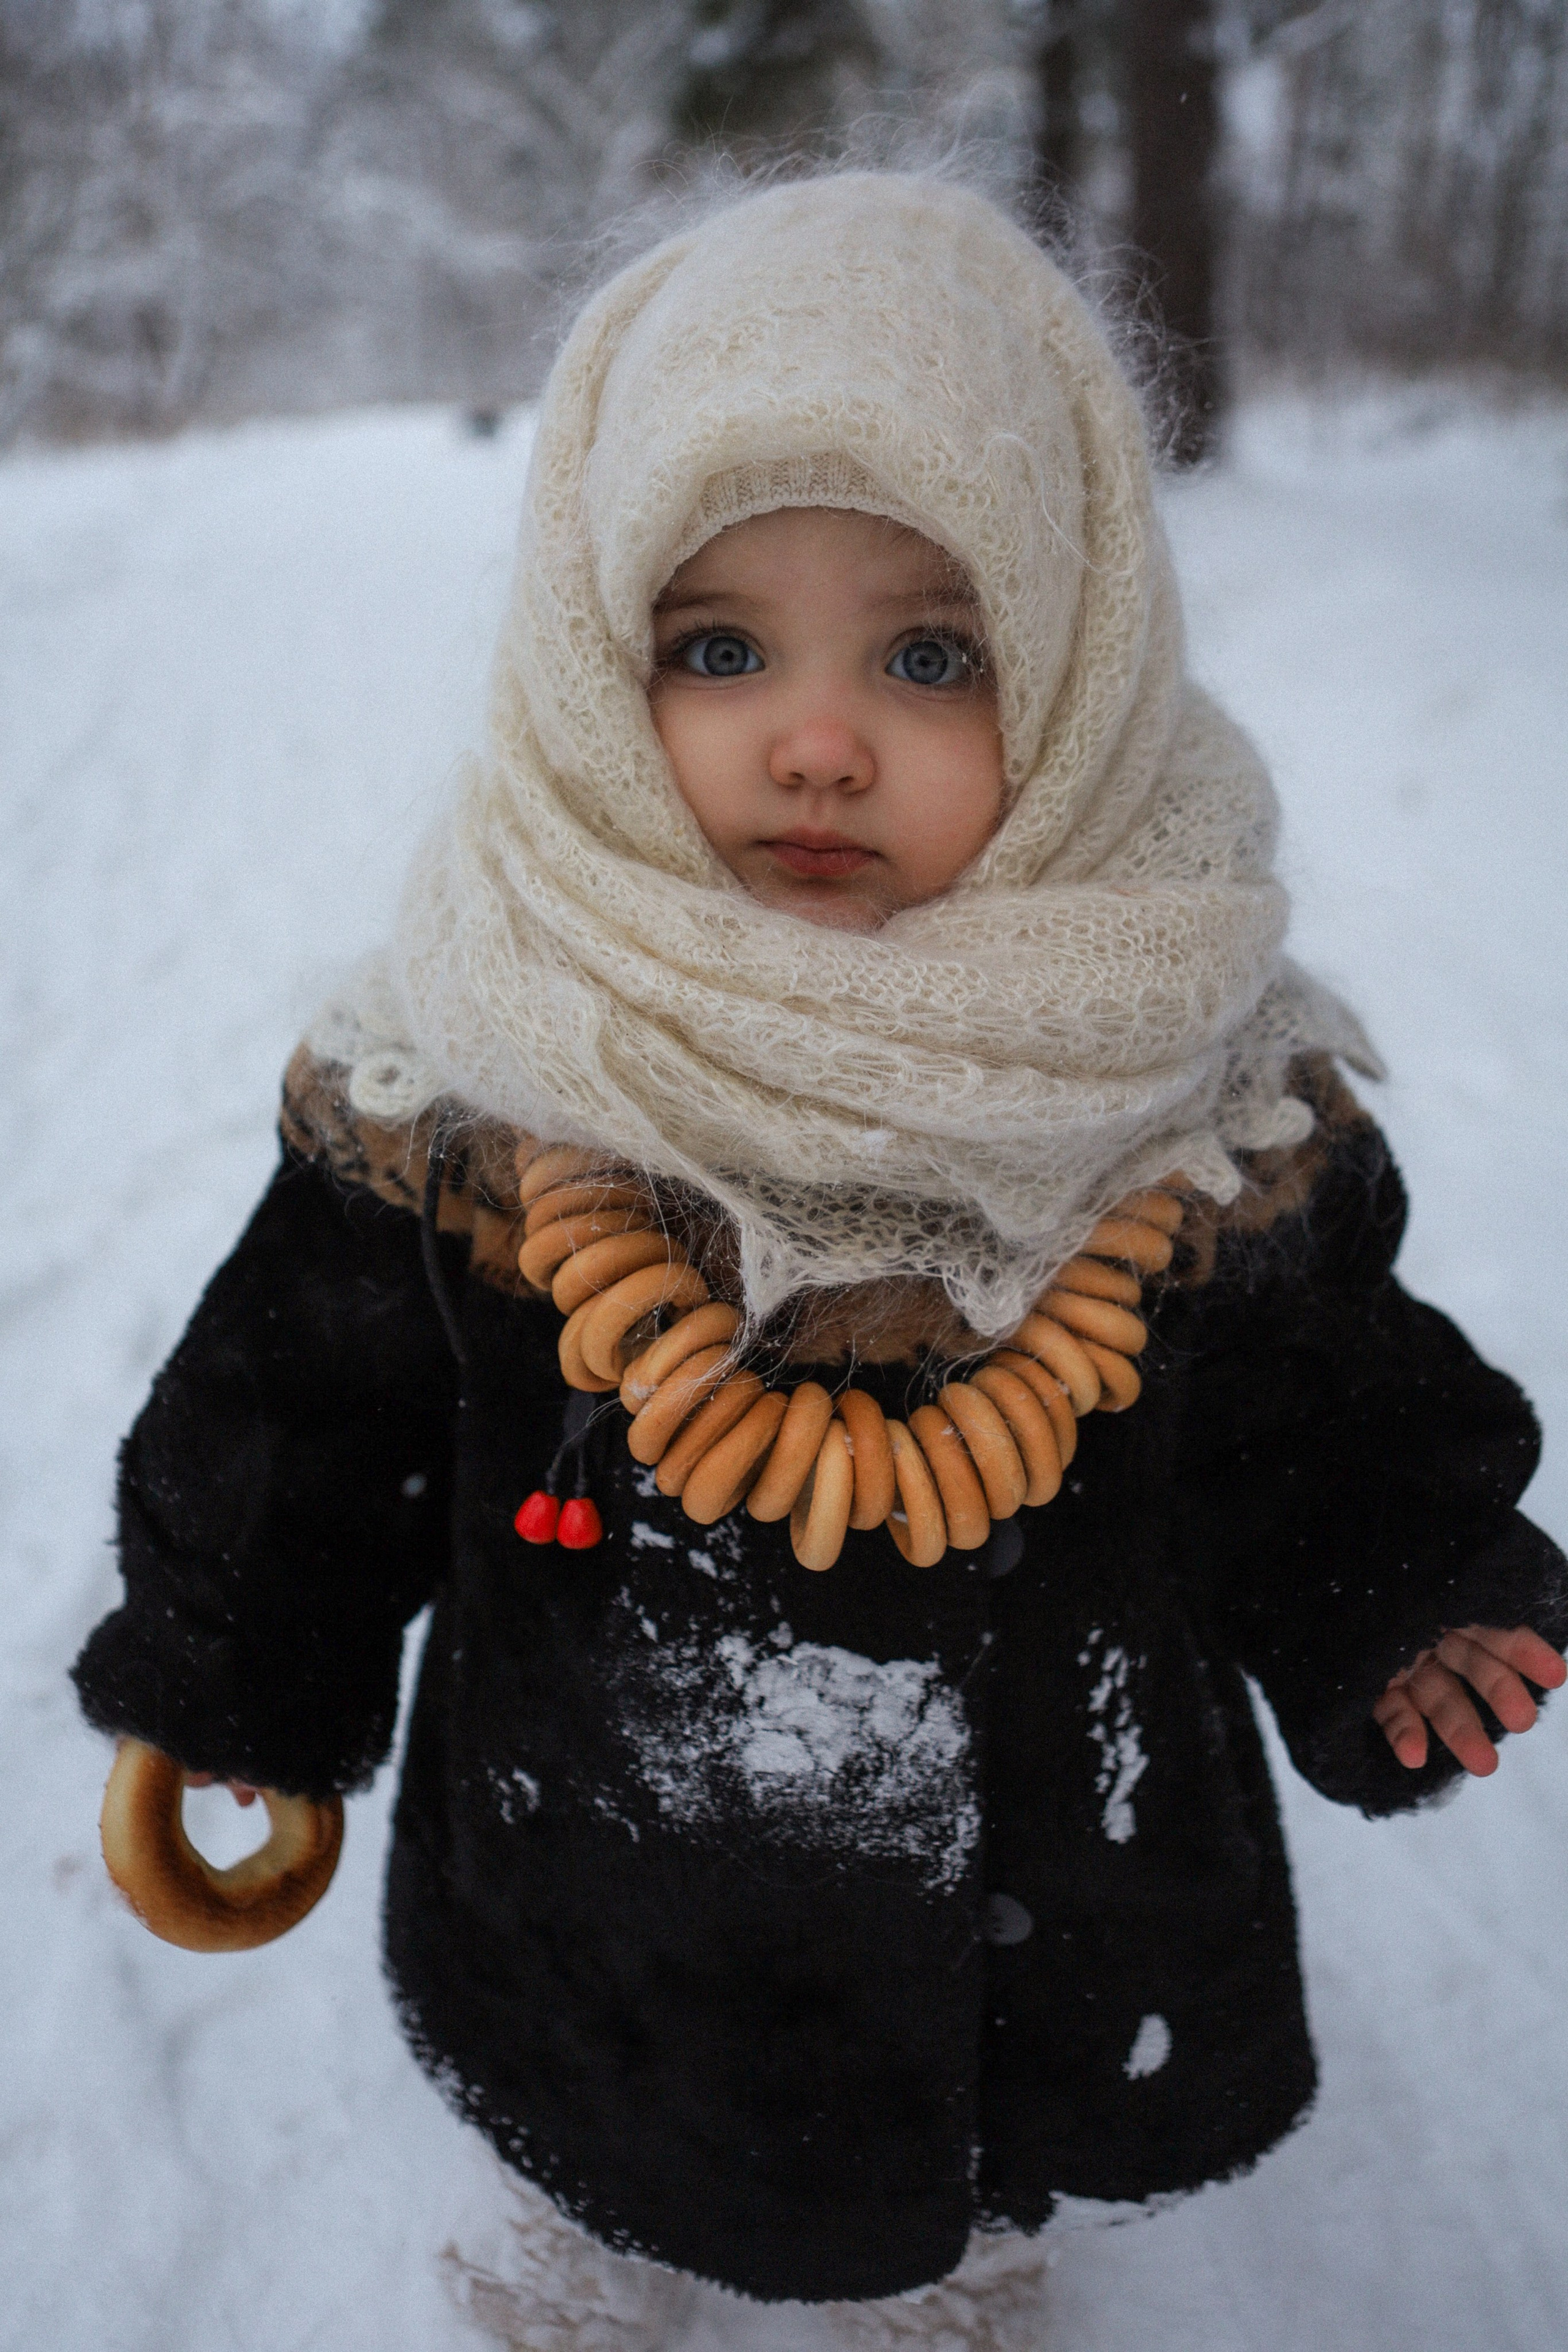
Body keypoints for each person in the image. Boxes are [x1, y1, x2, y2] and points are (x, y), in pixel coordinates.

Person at [73, 172, 1567, 2329]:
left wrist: (1402, 1586)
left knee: (996, 2135)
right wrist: (241, 1664)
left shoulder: (1189, 1095)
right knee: (596, 2083)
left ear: (1083, 674)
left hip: (1045, 1878)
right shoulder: (476, 1073)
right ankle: (589, 2214)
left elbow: (1318, 1419)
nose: (819, 738)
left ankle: (963, 2253)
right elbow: (300, 1418)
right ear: (592, 665)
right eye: (718, 648)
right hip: (602, 1858)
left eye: (933, 655)